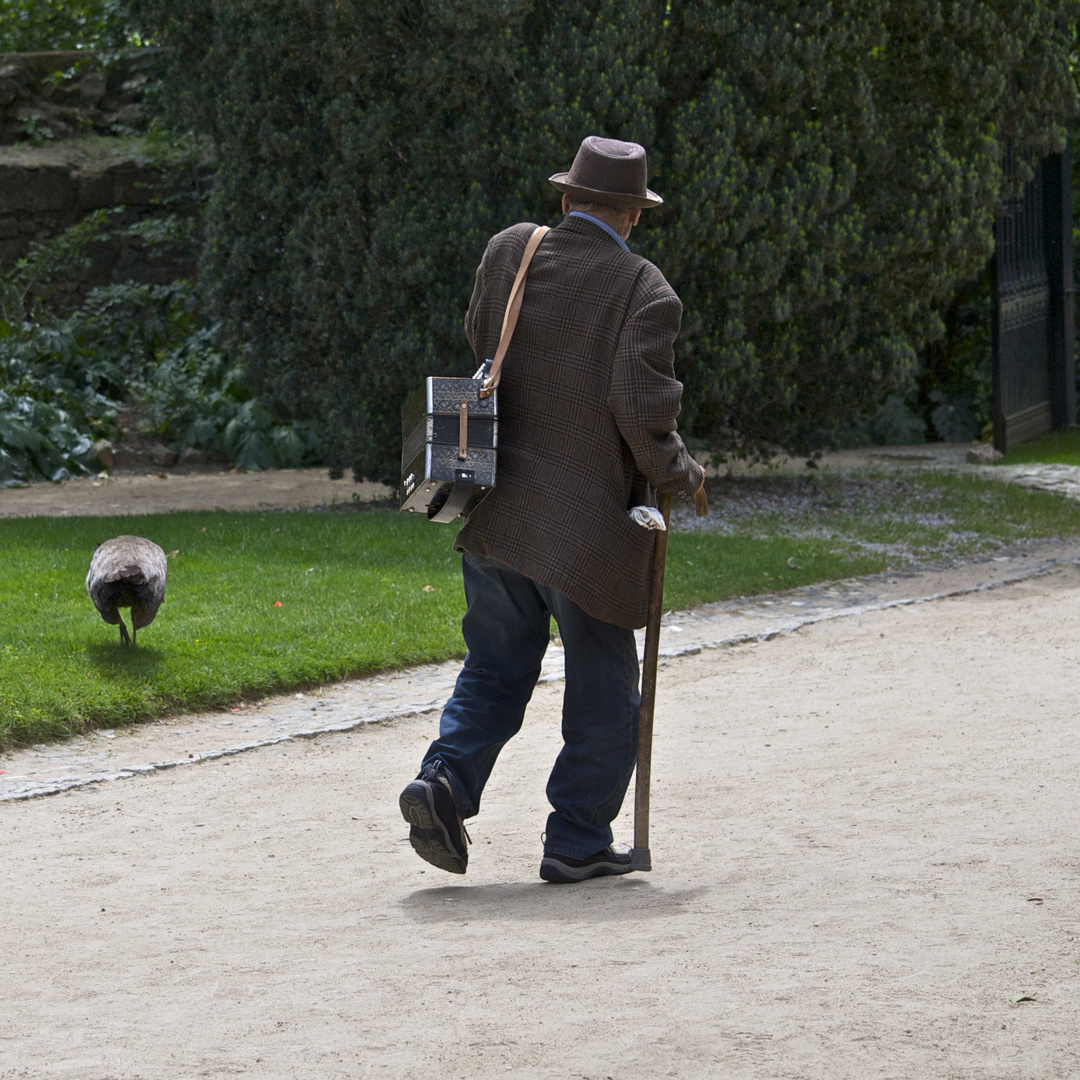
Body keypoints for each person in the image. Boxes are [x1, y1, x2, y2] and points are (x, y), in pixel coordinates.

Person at [399, 135, 706, 883]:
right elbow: (640, 409)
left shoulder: (513, 249)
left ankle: (442, 780)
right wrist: (681, 472)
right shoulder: (645, 290)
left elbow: (484, 339)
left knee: (496, 665)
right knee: (606, 688)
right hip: (585, 529)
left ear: (567, 200)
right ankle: (575, 840)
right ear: (633, 215)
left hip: (497, 507)